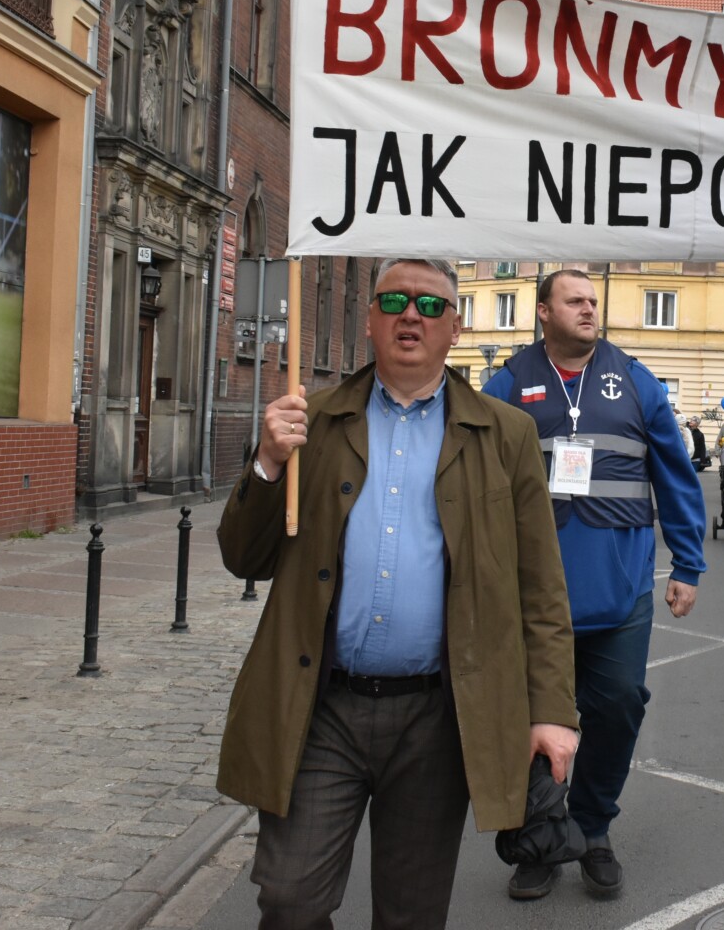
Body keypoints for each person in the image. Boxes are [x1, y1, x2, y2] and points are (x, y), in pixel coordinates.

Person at [214, 258, 579, 929]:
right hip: (321, 706)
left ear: (455, 328)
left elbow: (541, 589)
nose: (412, 315)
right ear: (371, 319)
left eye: (431, 305)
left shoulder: (506, 435)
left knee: (411, 915)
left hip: (435, 718)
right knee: (290, 899)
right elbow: (243, 557)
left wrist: (553, 711)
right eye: (395, 301)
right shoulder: (311, 421)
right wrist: (267, 463)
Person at [484, 268, 707, 900]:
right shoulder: (507, 383)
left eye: (593, 301)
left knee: (618, 707)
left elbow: (675, 474)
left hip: (621, 590)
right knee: (531, 719)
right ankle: (539, 835)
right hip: (531, 595)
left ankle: (591, 828)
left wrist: (687, 564)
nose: (589, 309)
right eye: (574, 301)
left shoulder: (635, 380)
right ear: (543, 311)